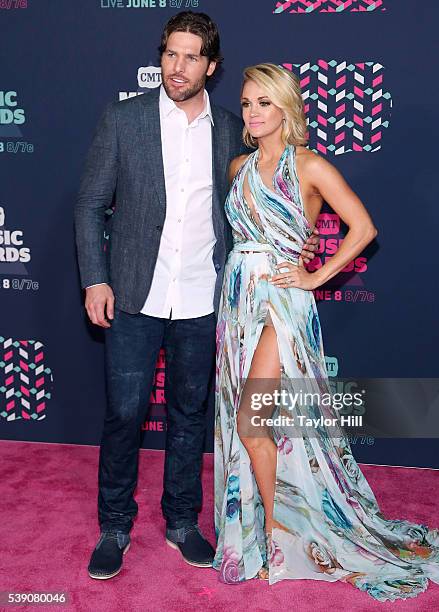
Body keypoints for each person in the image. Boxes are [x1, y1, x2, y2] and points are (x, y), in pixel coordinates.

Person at [74, 13, 318, 580]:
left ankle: (183, 522)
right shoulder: (122, 119)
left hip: (207, 299)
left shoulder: (236, 129)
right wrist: (95, 278)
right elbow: (89, 204)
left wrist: (291, 264)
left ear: (211, 66)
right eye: (169, 54)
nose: (177, 67)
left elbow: (269, 199)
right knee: (124, 416)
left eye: (190, 57)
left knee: (190, 416)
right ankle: (115, 526)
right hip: (135, 294)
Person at [213, 63, 439, 601]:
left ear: (286, 108)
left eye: (265, 103)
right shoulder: (237, 166)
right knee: (254, 425)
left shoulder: (308, 166)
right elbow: (241, 236)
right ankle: (267, 527)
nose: (254, 113)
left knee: (252, 420)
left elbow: (364, 227)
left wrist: (315, 273)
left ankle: (273, 535)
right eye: (248, 103)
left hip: (283, 304)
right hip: (237, 303)